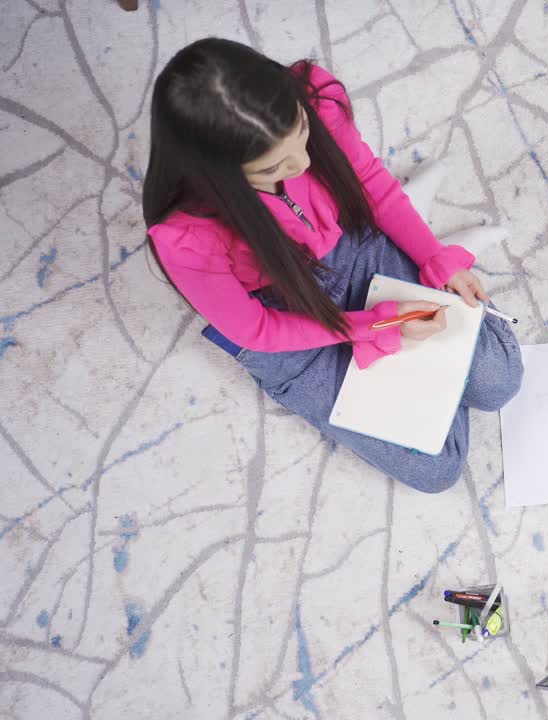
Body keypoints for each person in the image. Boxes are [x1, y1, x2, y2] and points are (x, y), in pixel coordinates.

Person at [143, 38, 522, 493]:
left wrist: (432, 257)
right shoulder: (188, 238)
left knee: (500, 383)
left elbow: (369, 186)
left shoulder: (314, 99)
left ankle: (420, 233)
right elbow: (259, 331)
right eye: (274, 169)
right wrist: (375, 329)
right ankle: (416, 247)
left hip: (354, 246)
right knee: (437, 469)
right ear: (219, 179)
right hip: (289, 323)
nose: (303, 163)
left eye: (300, 133)